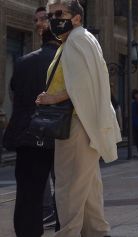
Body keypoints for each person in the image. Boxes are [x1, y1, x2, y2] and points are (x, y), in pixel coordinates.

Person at [35, 1, 121, 236]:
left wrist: (51, 99)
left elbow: (81, 86)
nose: (53, 19)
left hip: (75, 124)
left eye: (59, 13)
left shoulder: (75, 40)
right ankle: (97, 232)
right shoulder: (81, 39)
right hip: (83, 123)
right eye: (51, 14)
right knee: (88, 190)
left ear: (76, 17)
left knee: (69, 188)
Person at [3, 6, 60, 236]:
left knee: (28, 193)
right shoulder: (64, 63)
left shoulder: (23, 62)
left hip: (28, 134)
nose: (38, 24)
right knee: (66, 190)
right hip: (60, 133)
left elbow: (15, 95)